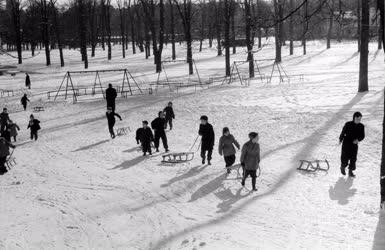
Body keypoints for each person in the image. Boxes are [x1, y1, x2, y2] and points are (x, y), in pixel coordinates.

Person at [339, 112, 365, 178]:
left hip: (354, 144)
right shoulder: (348, 124)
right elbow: (343, 132)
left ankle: (350, 172)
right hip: (346, 143)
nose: (358, 120)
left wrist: (358, 139)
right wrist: (340, 139)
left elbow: (362, 136)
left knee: (353, 158)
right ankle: (343, 167)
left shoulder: (361, 126)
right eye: (357, 118)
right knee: (345, 157)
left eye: (360, 119)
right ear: (354, 117)